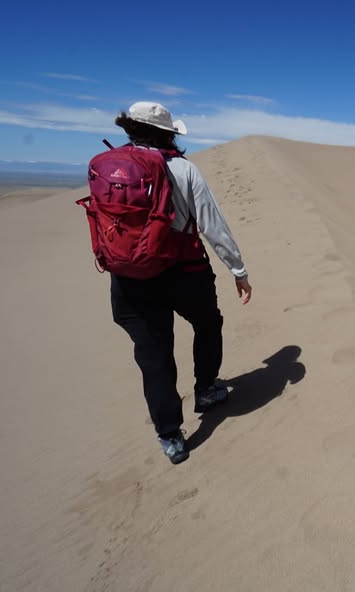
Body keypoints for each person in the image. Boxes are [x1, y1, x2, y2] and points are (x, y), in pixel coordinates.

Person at [108, 101, 253, 464]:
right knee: (208, 323)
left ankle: (169, 435)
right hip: (183, 271)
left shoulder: (111, 167)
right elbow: (212, 224)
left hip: (129, 277)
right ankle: (205, 389)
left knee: (154, 356)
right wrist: (238, 270)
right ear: (168, 133)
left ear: (130, 130)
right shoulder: (184, 170)